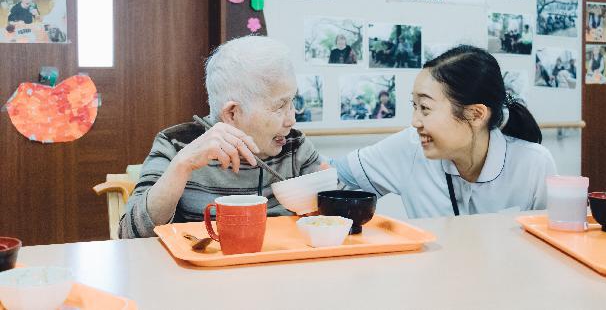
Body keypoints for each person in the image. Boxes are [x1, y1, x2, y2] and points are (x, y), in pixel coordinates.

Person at [119, 36, 325, 238]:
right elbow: (129, 234)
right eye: (280, 106)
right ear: (233, 113)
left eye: (292, 102)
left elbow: (341, 221)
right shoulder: (174, 144)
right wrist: (182, 165)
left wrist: (332, 191)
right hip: (202, 269)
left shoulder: (295, 146)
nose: (292, 120)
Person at [331, 45, 557, 218]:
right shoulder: (410, 147)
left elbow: (553, 246)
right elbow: (333, 176)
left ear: (476, 114)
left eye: (426, 109)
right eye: (415, 106)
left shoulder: (534, 164)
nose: (415, 122)